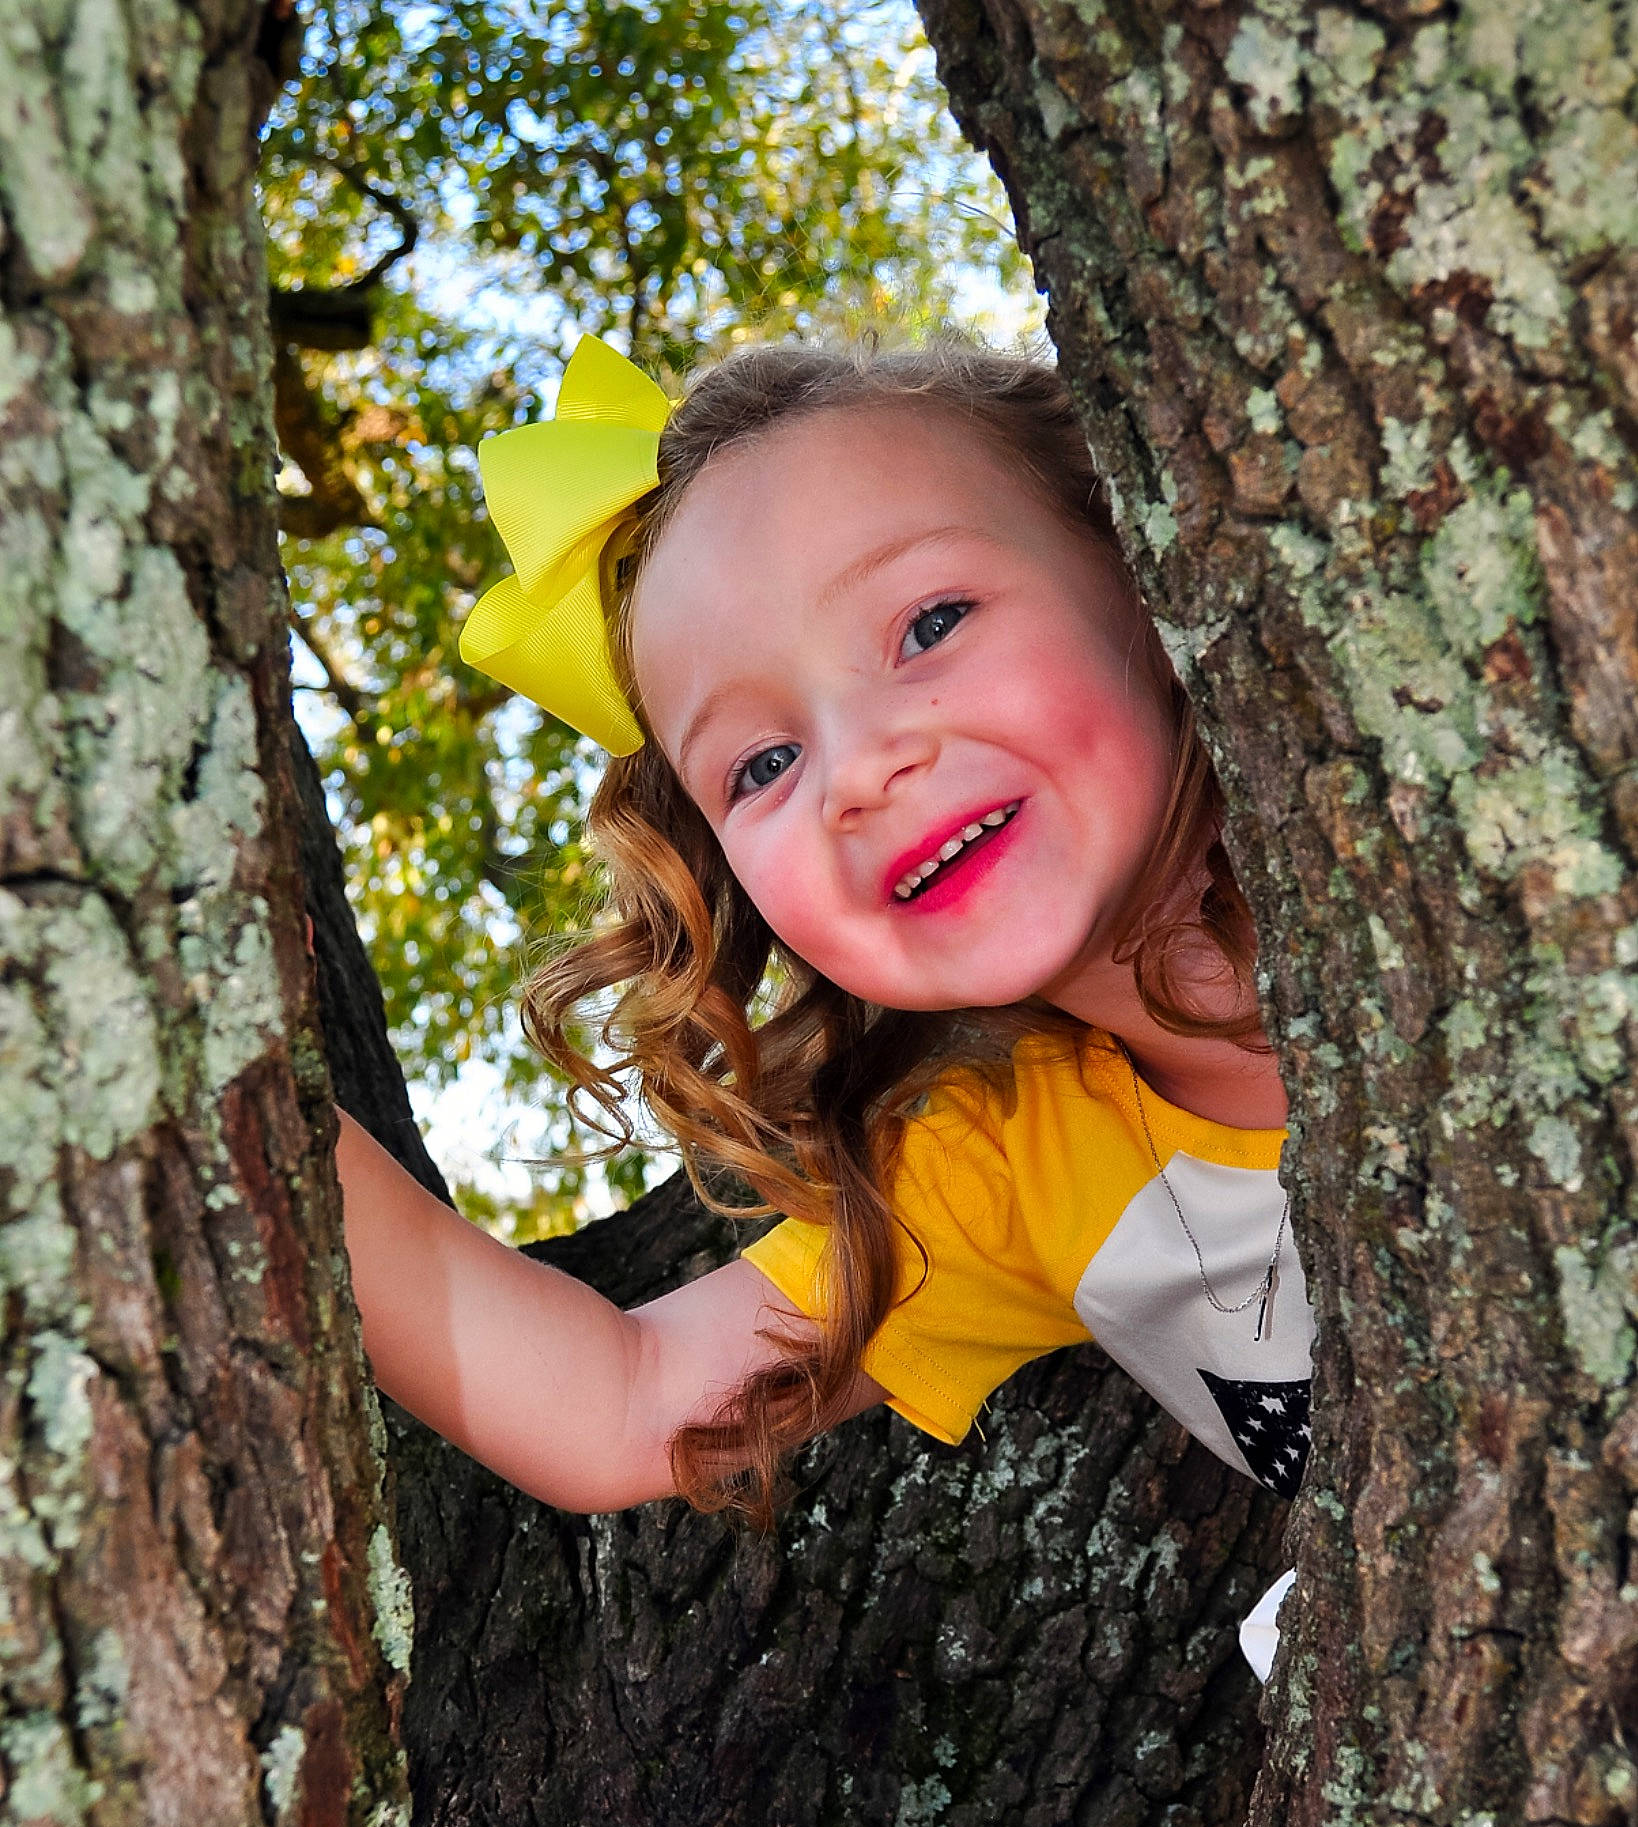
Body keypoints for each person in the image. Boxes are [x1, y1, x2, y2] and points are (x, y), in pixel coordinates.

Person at [333, 334, 1309, 1673]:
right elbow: (622, 1401)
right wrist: (229, 1077)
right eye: (764, 762)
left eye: (930, 624)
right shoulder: (1012, 1165)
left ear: (1140, 562)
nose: (856, 771)